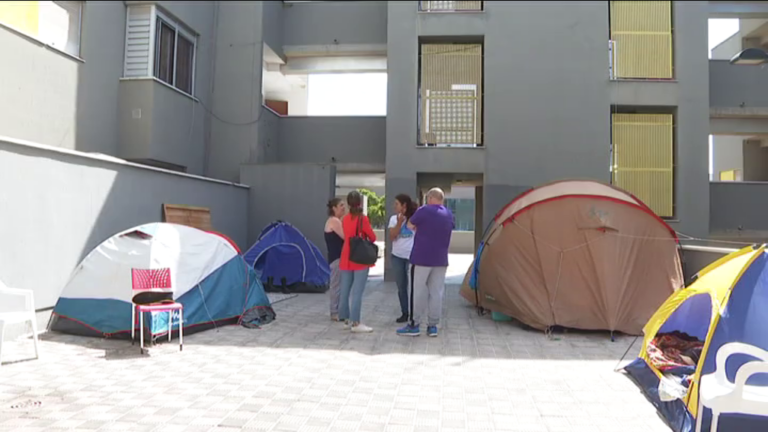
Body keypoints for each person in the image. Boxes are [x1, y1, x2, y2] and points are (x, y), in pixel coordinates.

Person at [397, 187, 454, 338]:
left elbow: (409, 226)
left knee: (418, 291)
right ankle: (433, 326)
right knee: (436, 293)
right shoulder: (448, 214)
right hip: (441, 259)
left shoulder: (423, 210)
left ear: (429, 198)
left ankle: (414, 324)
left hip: (421, 258)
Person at [338, 190, 377, 333]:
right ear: (360, 202)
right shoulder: (363, 218)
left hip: (345, 256)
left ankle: (346, 319)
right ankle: (356, 322)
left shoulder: (345, 219)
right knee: (357, 292)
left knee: (345, 290)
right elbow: (372, 237)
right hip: (359, 258)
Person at [388, 194, 418, 323]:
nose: (394, 206)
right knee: (401, 286)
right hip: (397, 257)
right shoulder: (394, 219)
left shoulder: (415, 219)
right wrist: (399, 223)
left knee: (414, 286)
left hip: (412, 256)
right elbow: (392, 236)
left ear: (404, 206)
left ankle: (414, 313)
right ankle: (405, 312)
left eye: (396, 204)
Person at [324, 198, 346, 322]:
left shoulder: (335, 221)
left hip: (336, 258)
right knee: (336, 285)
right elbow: (345, 236)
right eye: (341, 205)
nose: (344, 207)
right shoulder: (334, 221)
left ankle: (337, 310)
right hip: (336, 258)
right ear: (334, 208)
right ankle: (334, 312)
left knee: (338, 285)